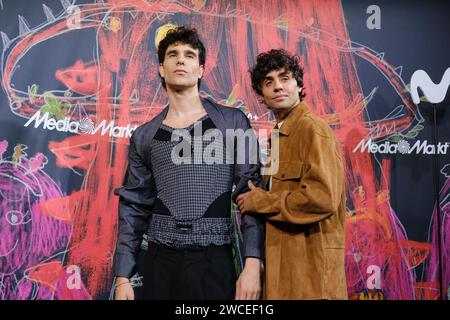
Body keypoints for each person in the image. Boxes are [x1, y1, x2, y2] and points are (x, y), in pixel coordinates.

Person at [113, 26, 264, 300]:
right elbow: (134, 205)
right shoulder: (144, 135)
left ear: (201, 69)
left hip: (215, 262)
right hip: (159, 263)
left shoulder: (232, 122)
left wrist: (253, 261)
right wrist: (123, 275)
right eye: (173, 54)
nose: (180, 60)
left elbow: (251, 194)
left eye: (189, 55)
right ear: (161, 68)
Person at [237, 49, 347, 299]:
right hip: (283, 280)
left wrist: (260, 201)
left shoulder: (313, 129)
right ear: (262, 96)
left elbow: (321, 198)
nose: (277, 86)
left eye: (284, 78)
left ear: (298, 85)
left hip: (313, 284)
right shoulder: (279, 135)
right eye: (268, 82)